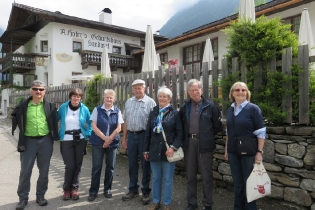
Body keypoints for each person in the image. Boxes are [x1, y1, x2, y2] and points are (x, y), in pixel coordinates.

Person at [11, 80, 58, 210]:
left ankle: (40, 196)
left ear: (45, 91)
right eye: (36, 89)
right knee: (25, 171)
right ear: (31, 90)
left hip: (45, 141)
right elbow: (15, 117)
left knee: (44, 171)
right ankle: (23, 198)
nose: (38, 91)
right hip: (28, 141)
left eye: (41, 89)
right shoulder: (23, 106)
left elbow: (57, 119)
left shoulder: (51, 106)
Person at [179, 79, 222, 210]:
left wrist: (206, 136)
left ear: (201, 90)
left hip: (205, 144)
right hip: (189, 143)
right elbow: (180, 126)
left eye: (197, 89)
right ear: (188, 92)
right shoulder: (184, 107)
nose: (194, 92)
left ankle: (207, 204)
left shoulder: (211, 106)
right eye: (192, 90)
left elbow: (217, 126)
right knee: (190, 175)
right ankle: (192, 203)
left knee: (206, 176)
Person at [224, 82, 265, 210]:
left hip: (248, 152)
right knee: (237, 183)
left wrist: (259, 152)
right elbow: (228, 132)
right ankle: (238, 207)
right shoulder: (230, 110)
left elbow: (261, 132)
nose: (240, 92)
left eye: (243, 90)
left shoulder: (253, 109)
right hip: (233, 151)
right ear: (232, 93)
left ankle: (251, 208)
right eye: (237, 90)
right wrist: (226, 150)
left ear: (247, 93)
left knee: (249, 182)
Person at [143, 86, 183, 210]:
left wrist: (173, 147)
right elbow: (148, 132)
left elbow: (180, 133)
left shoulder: (175, 113)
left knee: (167, 179)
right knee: (155, 178)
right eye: (160, 96)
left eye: (164, 96)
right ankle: (155, 202)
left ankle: (166, 203)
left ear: (169, 98)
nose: (161, 98)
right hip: (154, 150)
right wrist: (146, 149)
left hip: (168, 151)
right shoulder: (153, 112)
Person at [121, 79, 156, 205]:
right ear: (132, 89)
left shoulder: (150, 102)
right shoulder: (129, 102)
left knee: (146, 164)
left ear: (144, 88)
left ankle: (146, 191)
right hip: (131, 136)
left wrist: (151, 140)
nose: (137, 90)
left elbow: (154, 123)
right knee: (132, 164)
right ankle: (133, 189)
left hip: (144, 137)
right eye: (135, 88)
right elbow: (125, 121)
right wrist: (124, 138)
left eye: (139, 88)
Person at [88, 89, 124, 201]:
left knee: (110, 167)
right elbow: (94, 126)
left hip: (112, 144)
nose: (109, 99)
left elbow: (119, 128)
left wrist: (109, 140)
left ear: (114, 99)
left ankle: (107, 189)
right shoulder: (97, 109)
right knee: (96, 167)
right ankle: (93, 191)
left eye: (111, 97)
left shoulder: (117, 111)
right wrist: (104, 139)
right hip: (97, 142)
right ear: (104, 98)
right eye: (107, 97)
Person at [57, 88, 92, 200]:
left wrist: (87, 133)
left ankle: (74, 189)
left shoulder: (84, 109)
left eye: (78, 96)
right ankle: (66, 189)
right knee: (70, 166)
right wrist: (55, 133)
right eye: (74, 96)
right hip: (66, 139)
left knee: (78, 165)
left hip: (80, 140)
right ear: (70, 96)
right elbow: (55, 119)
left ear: (81, 98)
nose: (76, 98)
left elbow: (90, 122)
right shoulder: (63, 107)